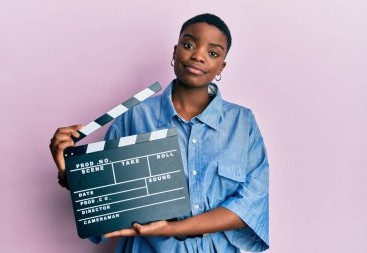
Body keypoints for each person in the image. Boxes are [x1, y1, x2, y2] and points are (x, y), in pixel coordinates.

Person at [50, 13, 269, 252]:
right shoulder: (134, 116)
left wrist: (173, 228)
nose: (197, 55)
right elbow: (106, 199)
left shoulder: (242, 122)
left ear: (221, 66)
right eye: (188, 45)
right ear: (175, 52)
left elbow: (250, 204)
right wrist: (68, 171)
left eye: (213, 53)